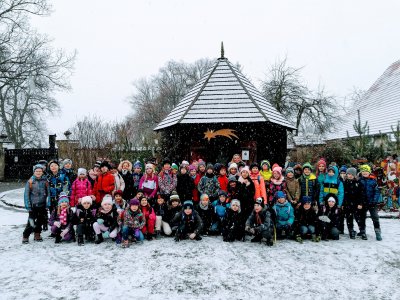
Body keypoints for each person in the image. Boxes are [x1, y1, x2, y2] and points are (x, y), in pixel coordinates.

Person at [22, 164, 50, 244]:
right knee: (31, 222)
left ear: (42, 172)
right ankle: (25, 235)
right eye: (36, 171)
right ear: (34, 172)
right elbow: (26, 195)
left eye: (40, 171)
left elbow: (48, 193)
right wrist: (28, 206)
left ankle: (37, 234)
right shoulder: (30, 181)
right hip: (33, 206)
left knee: (40, 221)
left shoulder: (45, 181)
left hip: (42, 205)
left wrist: (48, 204)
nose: (38, 172)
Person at [359, 164, 382, 241]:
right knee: (362, 217)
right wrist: (360, 202)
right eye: (363, 171)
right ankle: (362, 231)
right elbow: (358, 192)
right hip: (363, 203)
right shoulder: (359, 180)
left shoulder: (373, 181)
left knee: (375, 217)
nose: (364, 172)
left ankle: (377, 231)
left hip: (372, 203)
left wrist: (374, 201)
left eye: (366, 171)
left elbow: (377, 192)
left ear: (369, 172)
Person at [343, 167, 367, 240]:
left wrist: (360, 203)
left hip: (357, 203)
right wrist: (344, 204)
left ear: (355, 175)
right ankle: (351, 231)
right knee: (349, 218)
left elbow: (362, 194)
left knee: (359, 218)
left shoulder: (359, 183)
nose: (350, 176)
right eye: (348, 174)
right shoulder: (345, 183)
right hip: (348, 203)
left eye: (351, 174)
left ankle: (362, 231)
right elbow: (343, 194)